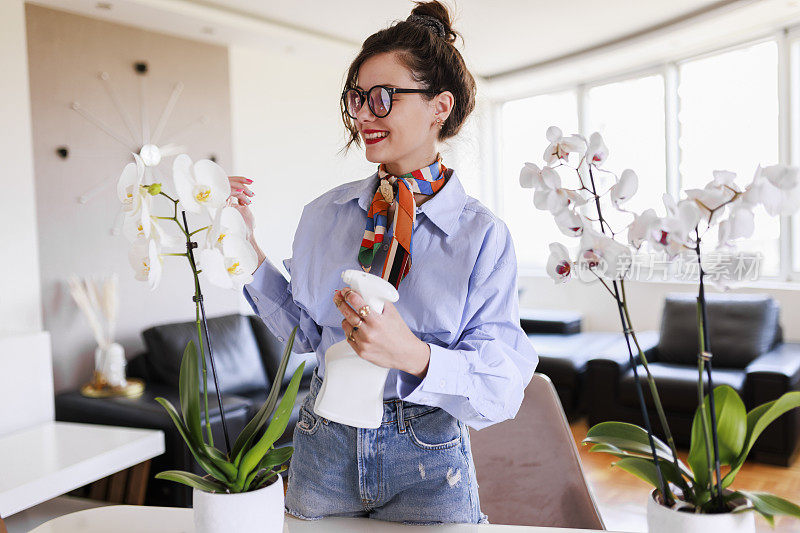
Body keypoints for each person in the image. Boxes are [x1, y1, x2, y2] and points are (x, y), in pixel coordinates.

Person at [231, 1, 538, 524]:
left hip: (427, 451)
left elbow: (500, 386)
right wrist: (242, 248)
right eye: (356, 98)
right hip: (321, 441)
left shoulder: (482, 236)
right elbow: (306, 335)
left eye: (382, 98)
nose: (362, 115)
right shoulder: (324, 214)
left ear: (439, 107)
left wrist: (415, 355)